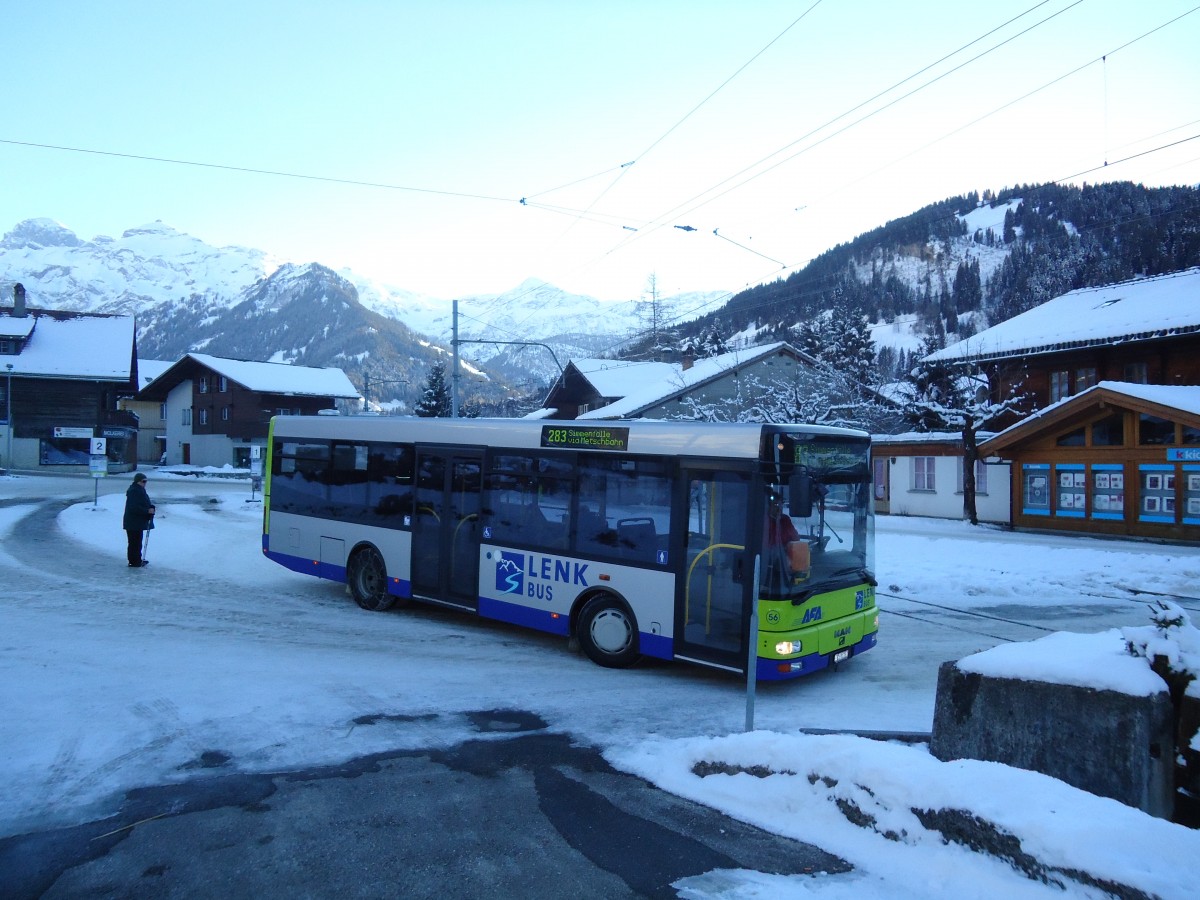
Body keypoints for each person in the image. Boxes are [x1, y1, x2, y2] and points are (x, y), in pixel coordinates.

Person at [123, 473, 156, 567]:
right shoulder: (134, 491)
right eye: (143, 481)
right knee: (134, 542)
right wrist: (147, 511)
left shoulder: (139, 490)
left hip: (136, 521)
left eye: (146, 481)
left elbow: (143, 503)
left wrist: (150, 507)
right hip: (133, 522)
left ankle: (136, 559)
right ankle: (134, 561)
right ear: (138, 481)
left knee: (137, 542)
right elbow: (134, 507)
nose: (145, 483)